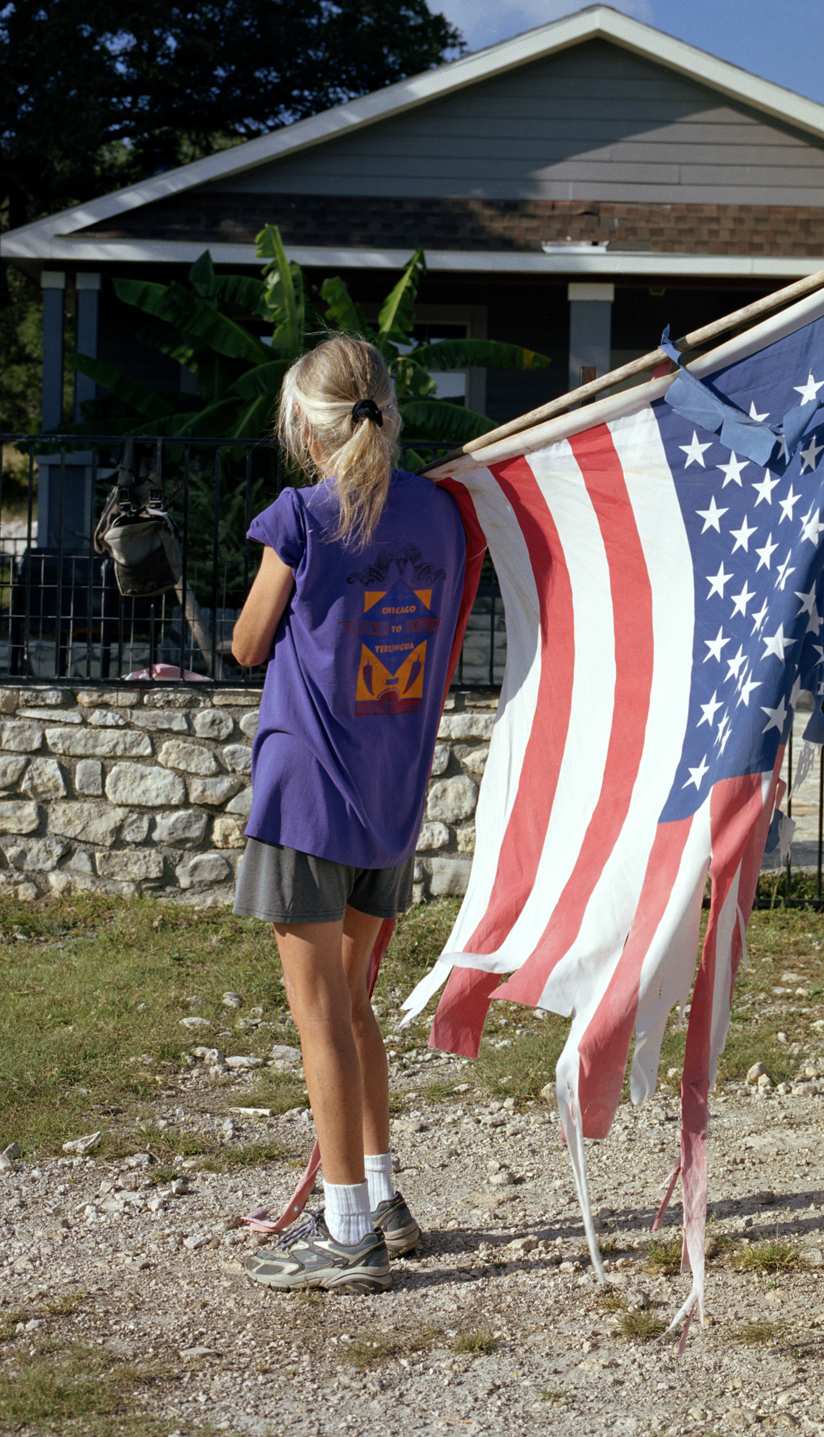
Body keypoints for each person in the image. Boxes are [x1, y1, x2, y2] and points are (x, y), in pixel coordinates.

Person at [228, 335, 482, 1293]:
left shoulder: (302, 513)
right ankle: (381, 1196)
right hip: (390, 796)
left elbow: (252, 643)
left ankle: (345, 1232)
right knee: (357, 1004)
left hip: (305, 795)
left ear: (305, 424)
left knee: (321, 1017)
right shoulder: (442, 515)